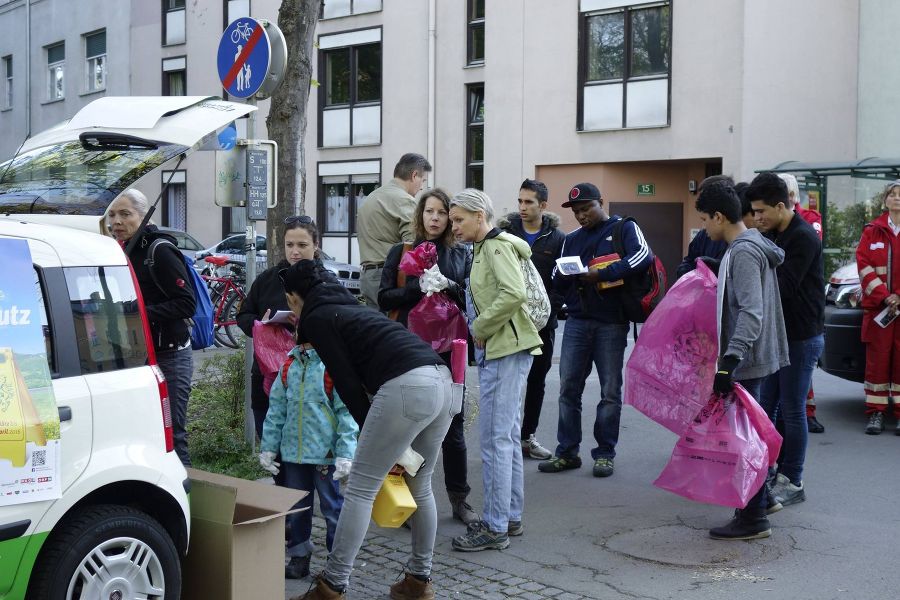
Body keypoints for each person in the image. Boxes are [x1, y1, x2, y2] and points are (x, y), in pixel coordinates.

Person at [284, 260, 455, 600]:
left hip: (406, 386)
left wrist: (367, 430)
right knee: (420, 485)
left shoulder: (318, 317)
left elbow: (346, 382)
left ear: (295, 297)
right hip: (442, 381)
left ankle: (331, 586)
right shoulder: (349, 308)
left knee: (361, 486)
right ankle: (418, 583)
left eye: (289, 301)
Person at [448, 188, 543, 552]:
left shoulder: (496, 245)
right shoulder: (486, 247)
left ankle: (494, 526)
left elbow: (513, 293)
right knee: (505, 437)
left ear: (478, 216)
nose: (454, 226)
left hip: (505, 349)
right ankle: (509, 517)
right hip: (506, 350)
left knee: (494, 440)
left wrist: (479, 327)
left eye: (459, 219)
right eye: (453, 219)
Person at [695, 180, 789, 540]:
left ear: (720, 216)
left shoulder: (746, 251)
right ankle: (761, 502)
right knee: (751, 436)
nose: (704, 227)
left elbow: (751, 312)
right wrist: (717, 265)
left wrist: (729, 361)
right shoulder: (741, 249)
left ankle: (752, 520)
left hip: (747, 359)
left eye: (705, 219)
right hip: (752, 357)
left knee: (745, 441)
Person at [538, 183, 651, 479]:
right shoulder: (571, 239)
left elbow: (643, 257)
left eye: (586, 208)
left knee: (610, 392)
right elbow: (555, 276)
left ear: (602, 202)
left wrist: (601, 273)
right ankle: (567, 453)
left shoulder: (623, 227)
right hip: (576, 322)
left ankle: (604, 454)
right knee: (568, 391)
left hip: (612, 323)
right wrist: (563, 274)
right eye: (576, 212)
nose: (581, 215)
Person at [378, 187, 477, 525]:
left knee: (454, 427)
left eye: (441, 212)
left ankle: (459, 499)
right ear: (419, 215)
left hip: (451, 351)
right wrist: (415, 288)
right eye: (429, 211)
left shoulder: (461, 253)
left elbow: (470, 299)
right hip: (409, 350)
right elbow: (384, 299)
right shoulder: (401, 250)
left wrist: (447, 284)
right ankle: (406, 500)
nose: (435, 218)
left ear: (450, 217)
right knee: (408, 427)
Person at [749, 172, 825, 508]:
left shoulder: (803, 237)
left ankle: (793, 480)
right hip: (780, 336)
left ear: (782, 206)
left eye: (762, 211)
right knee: (767, 408)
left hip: (801, 336)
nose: (757, 218)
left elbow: (783, 285)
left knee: (793, 411)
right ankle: (768, 471)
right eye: (753, 212)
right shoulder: (775, 232)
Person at [106, 189, 195, 466]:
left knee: (172, 432)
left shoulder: (160, 250)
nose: (117, 221)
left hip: (170, 355)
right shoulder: (119, 250)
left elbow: (186, 304)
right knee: (144, 432)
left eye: (125, 214)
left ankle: (185, 501)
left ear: (144, 217)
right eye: (112, 215)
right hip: (137, 354)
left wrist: (138, 314)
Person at [259, 342, 358, 580]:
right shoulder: (288, 366)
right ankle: (299, 556)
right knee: (297, 508)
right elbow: (276, 410)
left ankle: (337, 563)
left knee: (332, 507)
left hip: (326, 454)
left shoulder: (331, 367)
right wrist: (269, 447)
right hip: (293, 453)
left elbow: (346, 411)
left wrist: (346, 451)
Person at [498, 179, 565, 460]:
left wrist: (547, 310)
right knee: (507, 382)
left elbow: (562, 282)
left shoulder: (559, 239)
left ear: (543, 206)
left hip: (542, 325)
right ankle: (506, 438)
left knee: (537, 382)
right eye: (520, 201)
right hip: (508, 322)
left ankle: (527, 438)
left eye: (529, 202)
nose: (523, 207)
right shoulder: (502, 233)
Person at [237, 216, 319, 439]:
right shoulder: (268, 279)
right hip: (266, 372)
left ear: (316, 246)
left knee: (305, 447)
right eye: (289, 245)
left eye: (302, 245)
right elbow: (243, 315)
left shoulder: (325, 281)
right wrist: (259, 325)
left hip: (310, 378)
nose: (295, 252)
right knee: (270, 445)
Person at [778, 173, 826, 434]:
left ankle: (809, 413)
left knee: (798, 379)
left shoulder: (807, 224)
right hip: (789, 319)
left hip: (802, 315)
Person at [357, 153, 432, 308]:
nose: (422, 186)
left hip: (367, 275)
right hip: (388, 277)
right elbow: (412, 245)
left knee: (374, 329)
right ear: (414, 175)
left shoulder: (372, 197)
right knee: (394, 330)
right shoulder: (404, 199)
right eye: (423, 180)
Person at [857, 180, 900, 436]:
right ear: (885, 200)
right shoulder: (872, 231)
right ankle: (875, 413)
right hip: (879, 311)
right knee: (877, 363)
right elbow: (863, 266)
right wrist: (886, 297)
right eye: (892, 195)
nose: (897, 199)